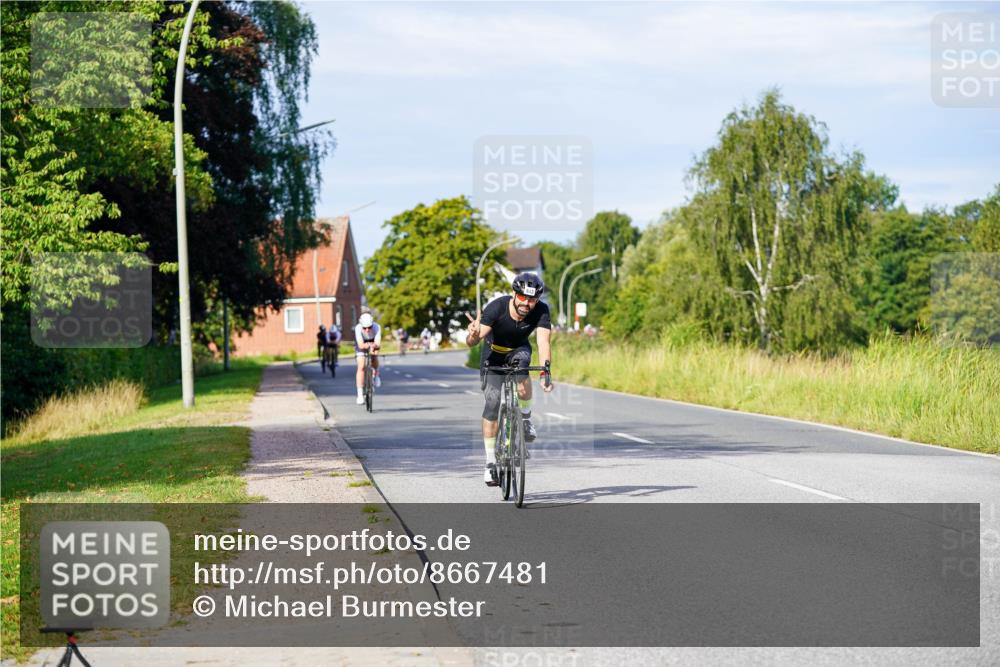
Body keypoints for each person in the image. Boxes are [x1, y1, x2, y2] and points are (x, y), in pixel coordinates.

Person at [465, 272, 553, 486]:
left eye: (532, 299)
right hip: (493, 352)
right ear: (515, 294)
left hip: (518, 349)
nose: (527, 303)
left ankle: (524, 418)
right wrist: (474, 334)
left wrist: (545, 372)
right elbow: (472, 341)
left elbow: (543, 343)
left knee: (523, 372)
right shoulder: (498, 307)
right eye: (523, 297)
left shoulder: (541, 311)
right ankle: (490, 463)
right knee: (493, 403)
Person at [354, 312, 382, 404]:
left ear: (372, 324)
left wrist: (373, 346)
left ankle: (377, 374)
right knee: (361, 366)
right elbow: (361, 345)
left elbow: (377, 344)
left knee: (375, 355)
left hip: (373, 343)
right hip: (362, 345)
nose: (367, 330)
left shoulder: (377, 327)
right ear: (361, 325)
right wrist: (368, 345)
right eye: (364, 328)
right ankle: (360, 394)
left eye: (369, 327)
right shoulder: (357, 328)